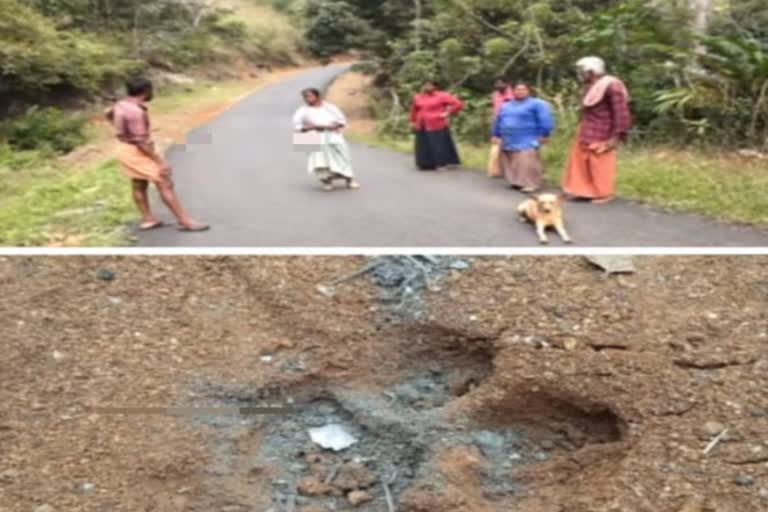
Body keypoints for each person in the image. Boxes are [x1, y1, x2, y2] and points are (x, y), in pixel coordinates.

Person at [107, 78, 209, 232]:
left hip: (123, 148)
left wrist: (122, 133)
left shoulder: (121, 104)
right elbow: (140, 142)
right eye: (151, 90)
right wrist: (160, 160)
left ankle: (149, 219)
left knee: (139, 183)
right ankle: (186, 221)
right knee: (164, 181)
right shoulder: (136, 112)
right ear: (146, 90)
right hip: (136, 150)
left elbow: (108, 114)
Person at [562, 56, 632, 204]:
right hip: (587, 130)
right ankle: (583, 191)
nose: (580, 74)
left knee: (600, 165)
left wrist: (615, 137)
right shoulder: (590, 86)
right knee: (581, 163)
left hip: (603, 132)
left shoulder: (612, 85)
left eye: (582, 71)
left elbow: (621, 112)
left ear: (592, 72)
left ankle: (603, 194)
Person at [492, 82, 556, 193]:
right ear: (513, 91)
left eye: (523, 89)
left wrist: (545, 134)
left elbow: (546, 120)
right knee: (511, 161)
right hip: (509, 138)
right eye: (517, 89)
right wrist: (496, 134)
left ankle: (532, 183)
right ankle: (516, 182)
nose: (520, 92)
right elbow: (499, 120)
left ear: (528, 91)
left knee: (527, 161)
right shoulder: (506, 105)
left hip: (528, 138)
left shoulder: (538, 104)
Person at [293, 88, 360, 192]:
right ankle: (326, 182)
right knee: (318, 162)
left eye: (309, 96)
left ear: (318, 96)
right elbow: (297, 127)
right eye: (305, 97)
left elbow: (342, 121)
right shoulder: (302, 110)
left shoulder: (330, 107)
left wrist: (333, 126)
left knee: (342, 156)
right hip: (311, 135)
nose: (307, 99)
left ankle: (350, 180)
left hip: (332, 133)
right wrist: (311, 127)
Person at [410, 80, 464, 171]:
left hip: (437, 124)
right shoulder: (418, 97)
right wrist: (413, 121)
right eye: (426, 85)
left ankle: (441, 164)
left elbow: (458, 104)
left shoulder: (442, 95)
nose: (428, 87)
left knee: (438, 145)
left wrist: (447, 113)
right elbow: (414, 110)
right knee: (423, 145)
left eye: (430, 85)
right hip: (422, 124)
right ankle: (425, 164)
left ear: (435, 87)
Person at [488, 77, 515, 178]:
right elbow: (495, 108)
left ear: (507, 84)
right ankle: (497, 170)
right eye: (496, 84)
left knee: (510, 146)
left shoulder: (513, 95)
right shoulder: (495, 94)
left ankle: (512, 170)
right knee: (497, 144)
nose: (498, 86)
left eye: (500, 84)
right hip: (497, 120)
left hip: (510, 122)